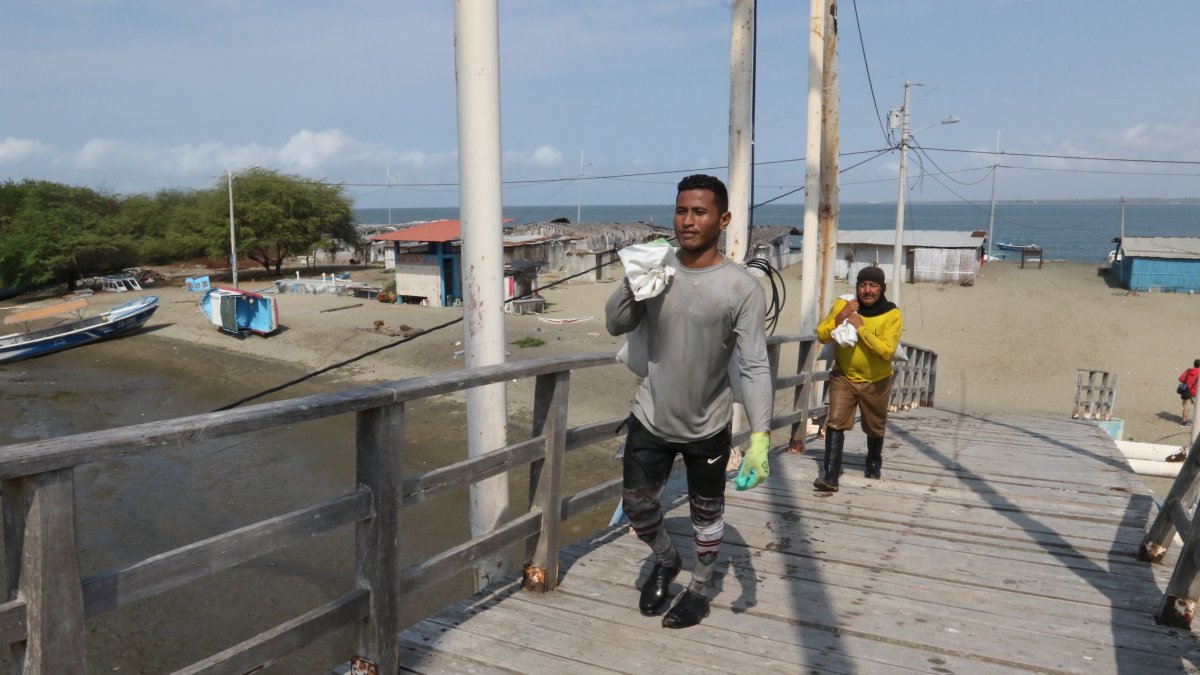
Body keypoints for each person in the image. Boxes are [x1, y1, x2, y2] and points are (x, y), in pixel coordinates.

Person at [605, 174, 774, 629]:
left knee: (706, 517)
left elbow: (755, 364)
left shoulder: (742, 287)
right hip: (651, 412)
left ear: (723, 219)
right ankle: (665, 558)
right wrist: (635, 276)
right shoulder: (659, 271)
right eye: (681, 210)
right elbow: (615, 324)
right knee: (638, 506)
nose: (687, 220)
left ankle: (699, 590)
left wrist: (760, 435)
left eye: (699, 211)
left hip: (708, 423)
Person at [813, 265, 903, 491]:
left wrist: (861, 328)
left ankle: (873, 461)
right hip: (843, 376)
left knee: (874, 427)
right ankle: (830, 477)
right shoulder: (844, 305)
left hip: (877, 381)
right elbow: (822, 335)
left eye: (873, 285)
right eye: (862, 285)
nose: (867, 290)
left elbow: (886, 351)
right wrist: (841, 316)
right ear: (857, 287)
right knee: (835, 422)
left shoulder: (892, 314)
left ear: (882, 288)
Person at [1179, 359, 1200, 426]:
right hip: (1197, 392)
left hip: (1187, 392)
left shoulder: (1188, 371)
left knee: (1186, 407)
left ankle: (1184, 421)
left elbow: (1181, 379)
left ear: (1194, 364)